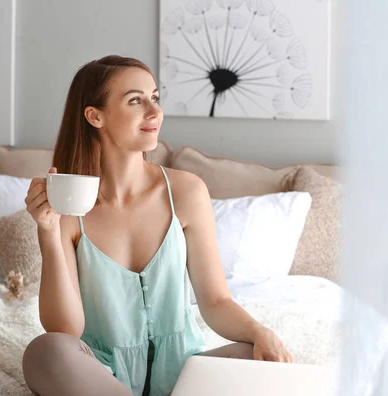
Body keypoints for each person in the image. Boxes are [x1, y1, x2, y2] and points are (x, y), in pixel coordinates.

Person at [21, 55, 293, 396]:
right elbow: (65, 329)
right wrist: (47, 231)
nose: (154, 112)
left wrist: (258, 331)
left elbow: (216, 302)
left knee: (262, 360)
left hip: (185, 375)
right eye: (136, 100)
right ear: (95, 116)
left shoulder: (187, 191)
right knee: (46, 351)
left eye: (155, 98)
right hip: (100, 376)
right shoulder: (69, 207)